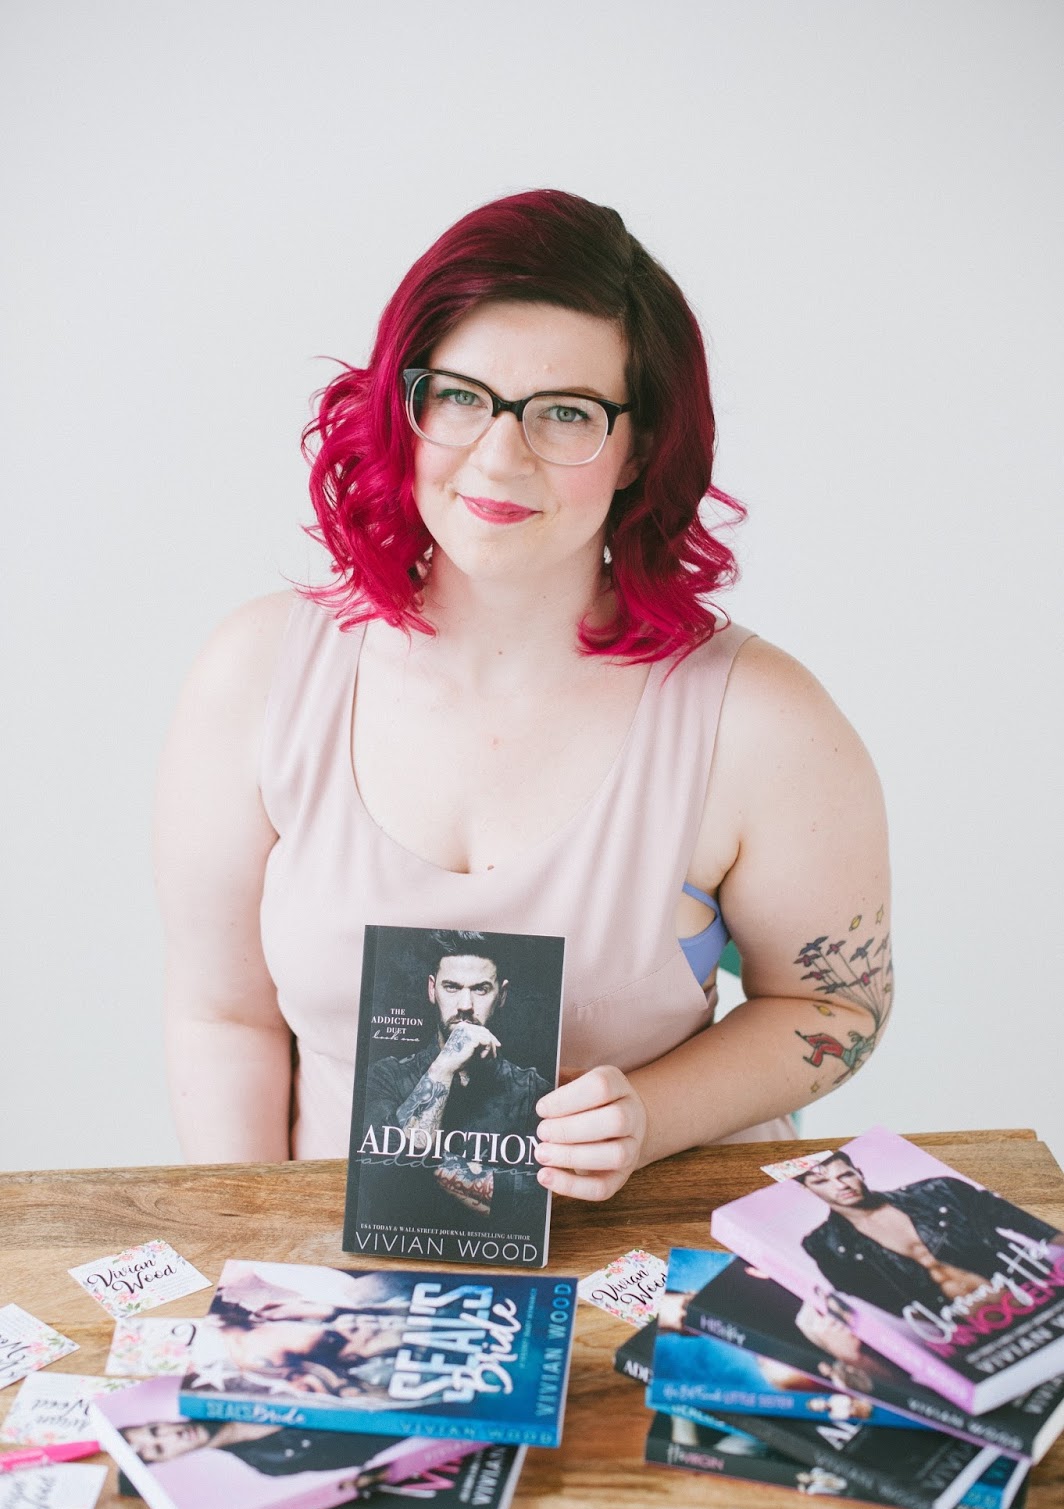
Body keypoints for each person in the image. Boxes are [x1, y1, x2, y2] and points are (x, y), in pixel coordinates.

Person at [155, 189, 892, 1190]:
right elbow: (222, 1017)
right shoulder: (256, 674)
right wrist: (254, 1248)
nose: (499, 457)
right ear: (404, 404)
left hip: (664, 1251)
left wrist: (652, 1114)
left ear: (640, 448)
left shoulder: (761, 720)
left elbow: (839, 1009)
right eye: (460, 395)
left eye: (566, 413)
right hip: (334, 1259)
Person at [360, 931, 551, 1222]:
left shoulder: (532, 1090)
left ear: (502, 995)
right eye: (451, 987)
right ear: (432, 990)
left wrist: (418, 1165)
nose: (465, 1005)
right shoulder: (386, 1076)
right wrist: (444, 1067)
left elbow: (539, 1199)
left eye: (481, 989)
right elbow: (375, 1179)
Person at [797, 1153, 1064, 1317]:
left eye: (846, 1175)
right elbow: (875, 1297)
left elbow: (1022, 1220)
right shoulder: (824, 1245)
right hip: (966, 1325)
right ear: (808, 1190)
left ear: (860, 1173)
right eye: (822, 1181)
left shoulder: (938, 1191)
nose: (840, 1186)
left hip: (1030, 1287)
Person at [121, 1417, 387, 1482]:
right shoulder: (270, 1463)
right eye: (160, 1448)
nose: (172, 1435)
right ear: (168, 1459)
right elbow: (360, 1455)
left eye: (155, 1430)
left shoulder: (227, 1386)